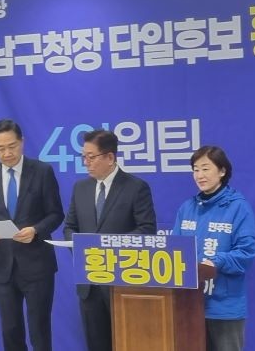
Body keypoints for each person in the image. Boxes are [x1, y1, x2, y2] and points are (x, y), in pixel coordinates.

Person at [0, 119, 65, 351]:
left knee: (39, 330)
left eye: (12, 146)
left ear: (22, 142)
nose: (7, 153)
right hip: (2, 267)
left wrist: (36, 230)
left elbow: (56, 214)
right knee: (10, 330)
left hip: (37, 265)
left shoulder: (42, 171)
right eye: (0, 148)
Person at [63, 129, 157, 351]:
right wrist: (84, 250)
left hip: (122, 283)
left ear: (110, 157)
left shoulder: (135, 187)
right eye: (83, 156)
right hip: (89, 284)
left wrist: (109, 248)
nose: (86, 162)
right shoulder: (80, 188)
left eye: (91, 157)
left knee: (128, 344)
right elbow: (69, 227)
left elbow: (147, 230)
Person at [172, 145, 255, 351]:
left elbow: (246, 253)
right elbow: (173, 250)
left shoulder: (238, 207)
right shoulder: (187, 208)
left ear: (222, 171)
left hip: (224, 306)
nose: (199, 175)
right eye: (195, 169)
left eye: (205, 168)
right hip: (189, 305)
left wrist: (215, 262)